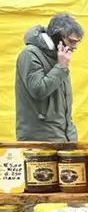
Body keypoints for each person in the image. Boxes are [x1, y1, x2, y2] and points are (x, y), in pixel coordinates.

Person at [15, 13, 83, 142]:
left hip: (64, 136)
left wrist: (71, 135)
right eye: (71, 41)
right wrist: (61, 67)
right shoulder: (30, 54)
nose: (74, 47)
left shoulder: (59, 57)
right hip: (40, 138)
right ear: (57, 37)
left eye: (77, 42)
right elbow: (38, 90)